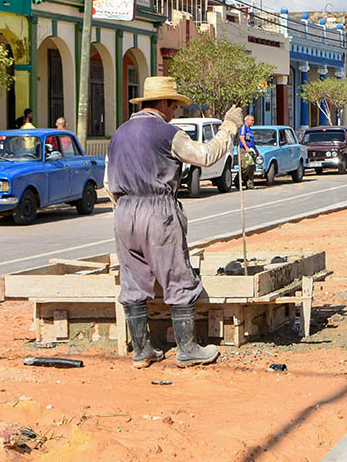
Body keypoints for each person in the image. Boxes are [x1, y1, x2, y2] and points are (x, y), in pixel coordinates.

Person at [106, 77, 243, 368]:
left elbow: (109, 182)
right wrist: (229, 127)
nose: (176, 112)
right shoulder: (168, 133)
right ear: (164, 103)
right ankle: (188, 349)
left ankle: (142, 351)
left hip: (123, 210)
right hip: (158, 211)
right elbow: (205, 156)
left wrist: (126, 208)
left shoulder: (118, 134)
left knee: (132, 280)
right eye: (174, 106)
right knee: (177, 276)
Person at [237, 114, 257, 188]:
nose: (253, 122)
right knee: (245, 166)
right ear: (247, 120)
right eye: (252, 120)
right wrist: (246, 148)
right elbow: (241, 138)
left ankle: (250, 184)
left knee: (252, 167)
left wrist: (256, 150)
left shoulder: (250, 129)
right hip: (244, 150)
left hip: (251, 150)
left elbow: (251, 141)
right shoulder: (243, 128)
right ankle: (237, 180)